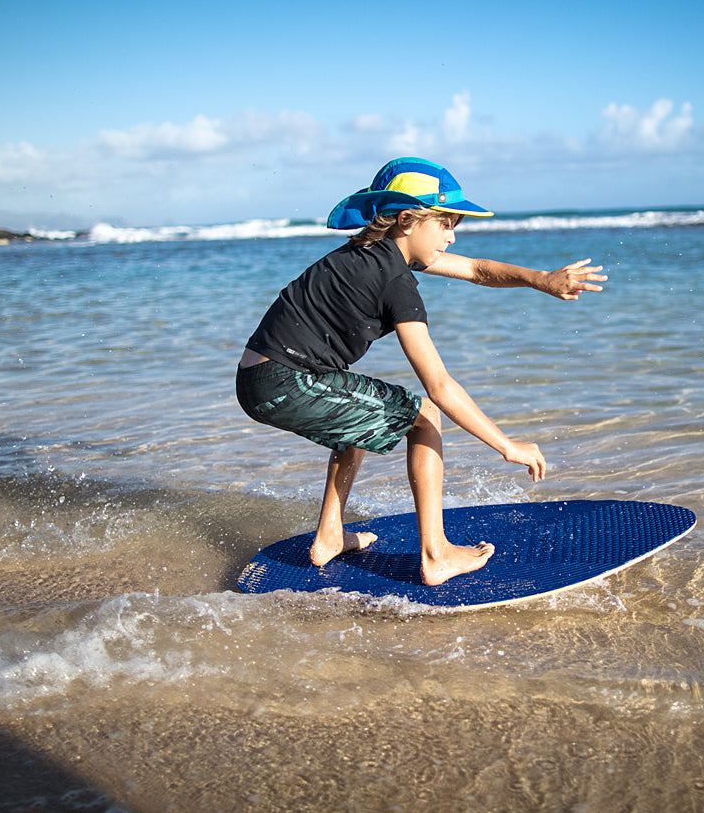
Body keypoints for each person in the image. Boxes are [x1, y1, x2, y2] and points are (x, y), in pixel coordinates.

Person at [236, 157, 605, 585]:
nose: (451, 238)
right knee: (424, 415)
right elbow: (440, 385)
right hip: (289, 379)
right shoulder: (395, 281)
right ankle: (436, 555)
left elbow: (476, 270)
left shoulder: (368, 252)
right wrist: (507, 445)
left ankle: (331, 535)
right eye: (446, 224)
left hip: (259, 377)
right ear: (409, 220)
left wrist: (540, 279)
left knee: (359, 419)